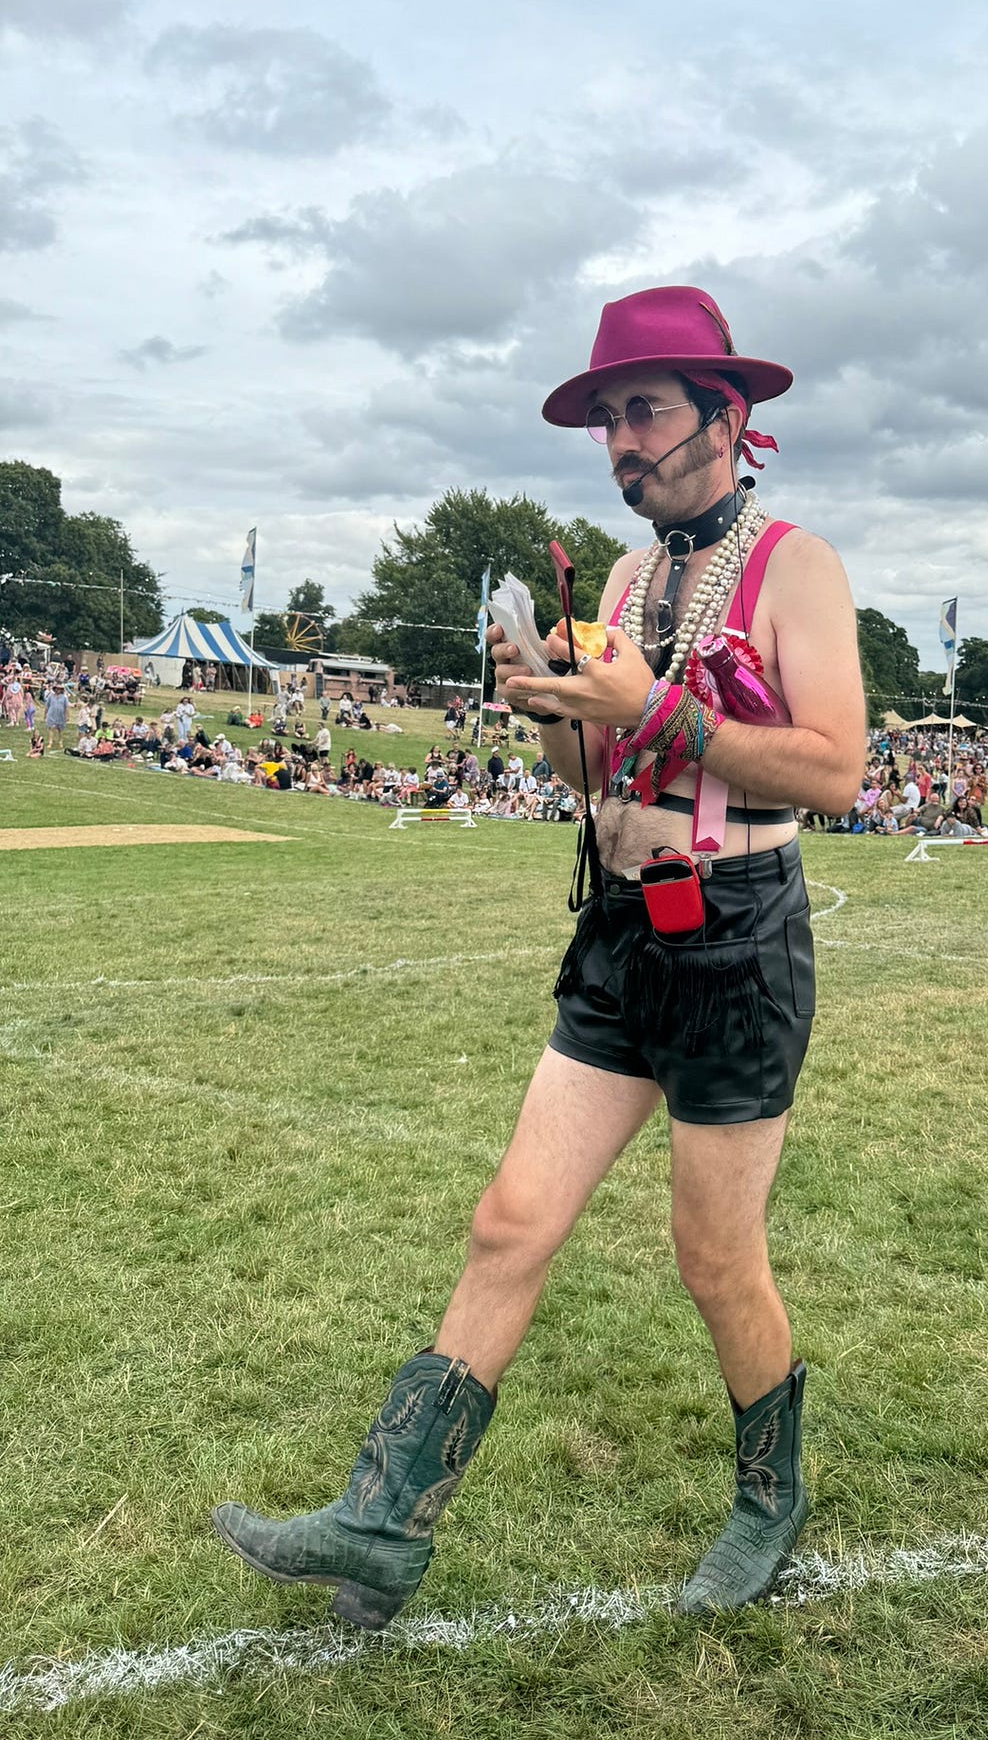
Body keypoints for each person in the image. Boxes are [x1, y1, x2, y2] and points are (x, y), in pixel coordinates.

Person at [212, 283, 865, 1625]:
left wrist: (653, 703)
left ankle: (769, 1495)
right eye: (607, 419)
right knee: (510, 1216)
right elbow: (599, 766)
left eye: (644, 411)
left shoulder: (798, 563)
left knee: (713, 1259)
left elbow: (839, 773)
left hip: (739, 941)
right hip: (622, 928)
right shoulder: (626, 577)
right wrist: (549, 708)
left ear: (724, 415)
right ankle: (386, 1520)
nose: (621, 442)